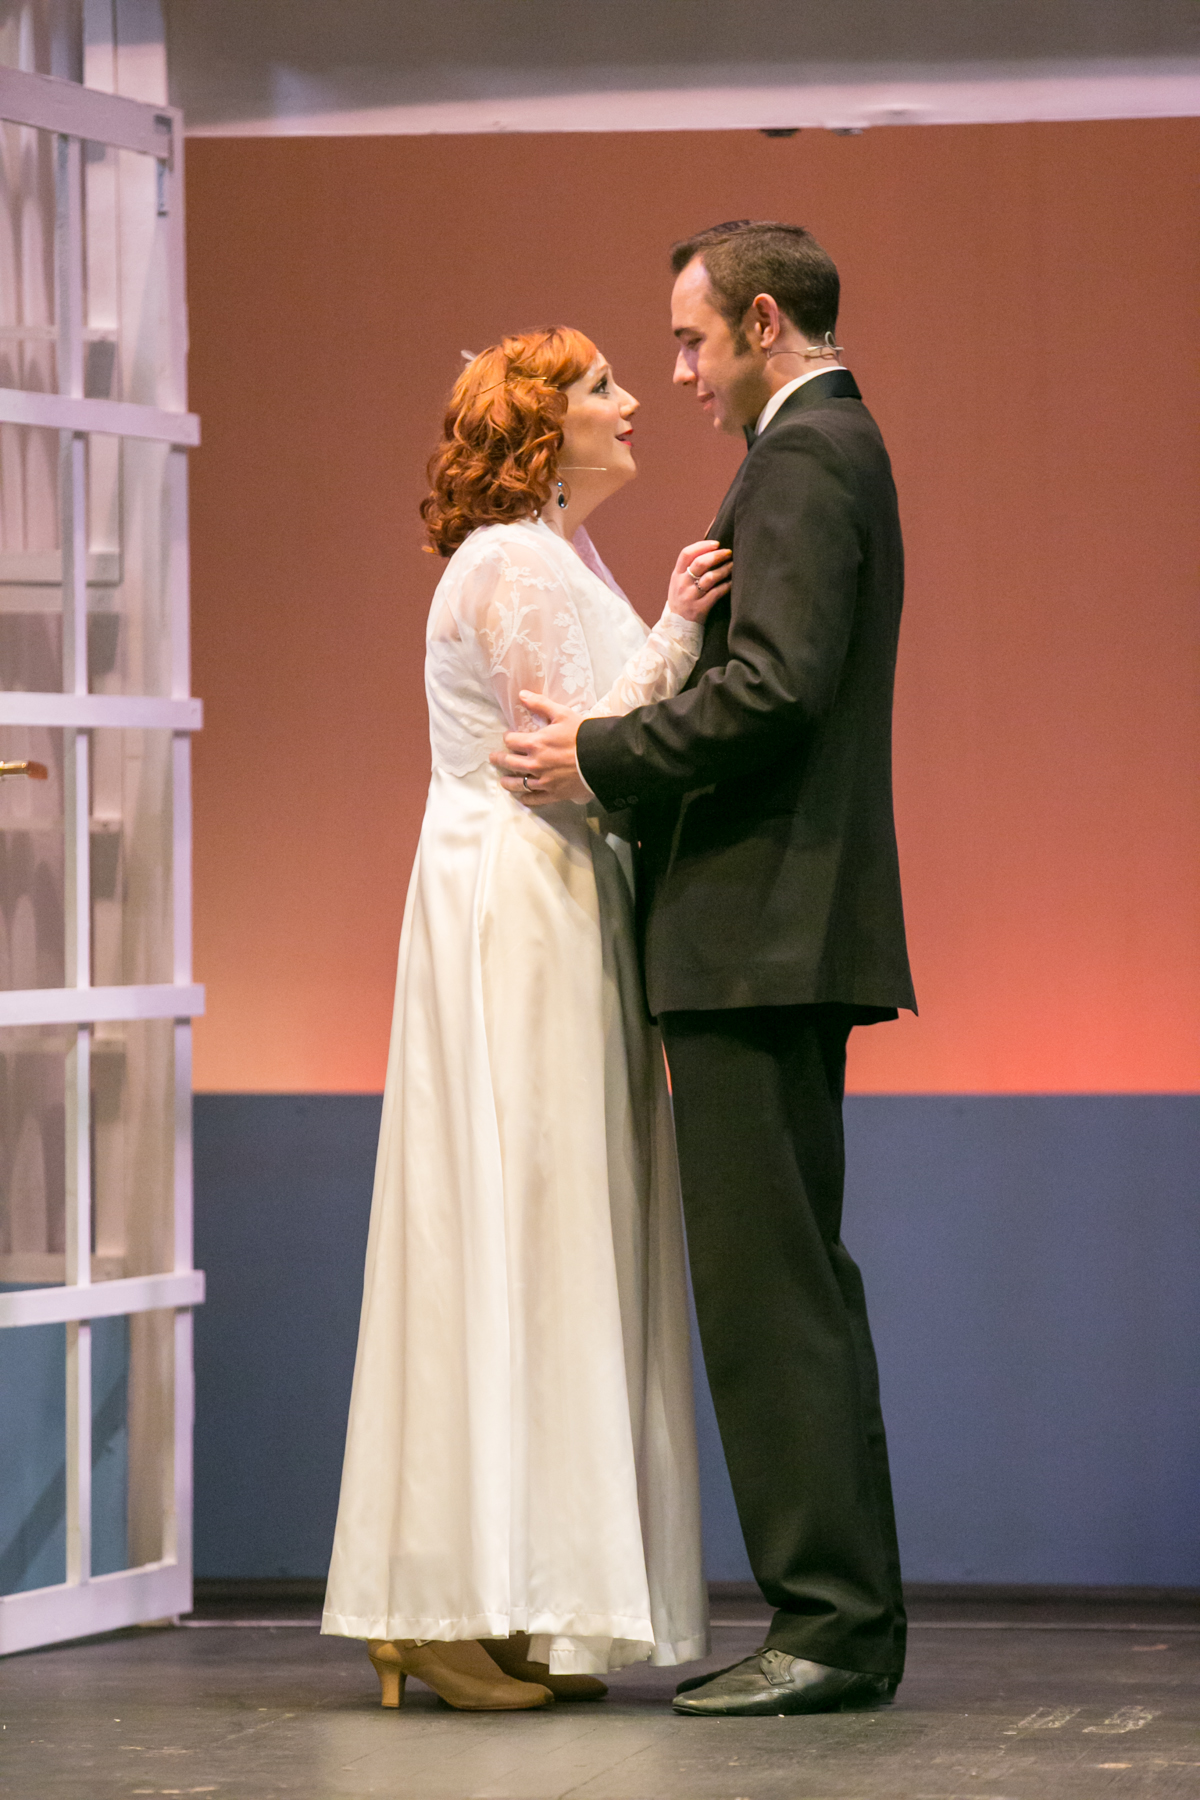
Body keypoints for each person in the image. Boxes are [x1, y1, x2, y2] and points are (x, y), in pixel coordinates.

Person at [495, 223, 916, 1716]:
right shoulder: (826, 450)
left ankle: (831, 1627)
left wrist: (601, 755)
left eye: (689, 340)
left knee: (770, 1296)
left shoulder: (805, 457)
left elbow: (777, 689)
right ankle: (839, 1621)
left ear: (761, 320)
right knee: (789, 1285)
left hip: (759, 937)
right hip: (774, 936)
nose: (677, 373)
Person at [321, 327, 731, 1711]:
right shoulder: (507, 561)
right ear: (544, 425)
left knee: (546, 1233)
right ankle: (435, 1601)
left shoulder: (562, 554)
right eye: (605, 386)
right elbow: (570, 751)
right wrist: (680, 631)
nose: (634, 402)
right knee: (501, 1224)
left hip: (561, 898)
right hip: (517, 903)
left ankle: (504, 1593)